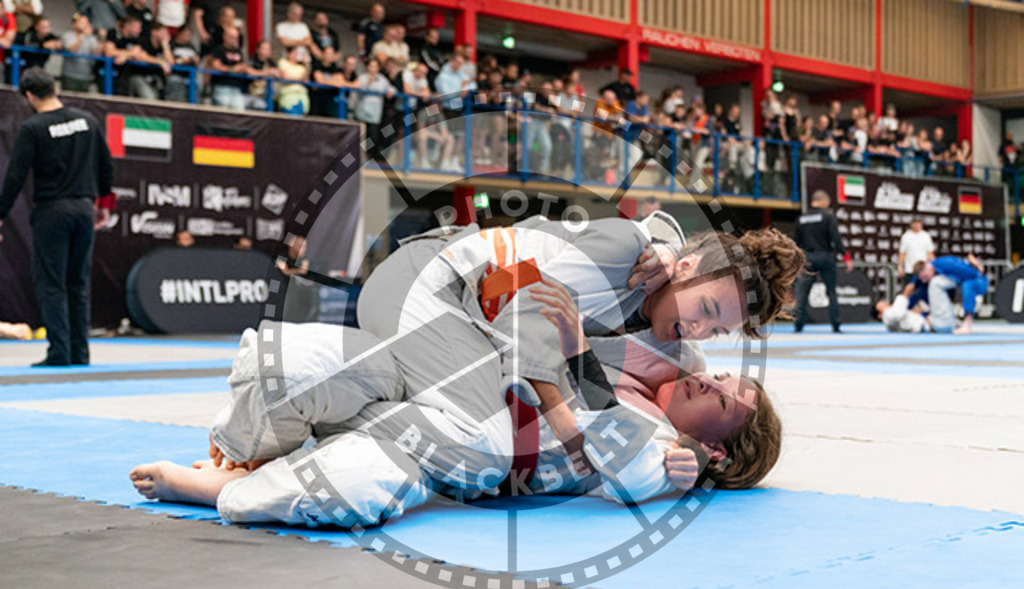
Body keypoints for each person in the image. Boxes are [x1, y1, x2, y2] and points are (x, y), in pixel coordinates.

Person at [130, 282, 784, 525]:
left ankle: (215, 489)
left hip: (452, 449)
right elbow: (671, 294)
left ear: (719, 443)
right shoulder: (667, 355)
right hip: (430, 372)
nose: (716, 383)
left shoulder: (655, 448)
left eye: (728, 402)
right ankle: (240, 455)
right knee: (290, 361)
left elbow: (635, 476)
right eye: (728, 376)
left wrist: (692, 461)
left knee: (347, 489)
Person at [0, 68, 113, 367]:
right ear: (54, 88)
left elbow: (14, 176)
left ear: (29, 96)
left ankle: (60, 353)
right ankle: (81, 352)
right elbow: (106, 166)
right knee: (78, 282)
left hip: (53, 211)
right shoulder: (87, 121)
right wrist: (103, 205)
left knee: (52, 283)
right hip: (83, 209)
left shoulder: (34, 127)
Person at [793, 190, 852, 333]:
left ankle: (798, 324)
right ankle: (836, 324)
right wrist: (846, 257)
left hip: (807, 257)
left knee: (802, 293)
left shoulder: (801, 218)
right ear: (824, 202)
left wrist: (796, 263)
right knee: (831, 291)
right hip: (825, 256)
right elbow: (836, 238)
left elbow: (796, 242)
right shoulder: (827, 216)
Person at [913, 254, 988, 335]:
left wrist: (978, 266)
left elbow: (970, 273)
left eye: (925, 277)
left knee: (967, 285)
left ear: (927, 269)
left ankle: (967, 325)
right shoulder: (932, 269)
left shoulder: (945, 264)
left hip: (978, 279)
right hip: (966, 279)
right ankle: (956, 321)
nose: (925, 281)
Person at [208, 26, 248, 111]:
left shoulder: (239, 52)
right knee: (224, 109)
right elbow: (216, 66)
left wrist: (242, 69)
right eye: (232, 37)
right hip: (221, 86)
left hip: (236, 88)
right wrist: (233, 69)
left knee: (240, 110)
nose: (234, 40)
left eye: (236, 38)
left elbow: (242, 66)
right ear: (225, 37)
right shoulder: (219, 50)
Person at [60, 12, 100, 92]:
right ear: (74, 23)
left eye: (86, 23)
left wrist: (98, 36)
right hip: (70, 76)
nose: (84, 25)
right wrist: (82, 36)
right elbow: (72, 49)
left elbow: (97, 53)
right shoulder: (68, 35)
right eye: (81, 22)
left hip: (86, 76)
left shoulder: (91, 38)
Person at [897, 218, 935, 286]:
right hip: (910, 270)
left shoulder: (926, 236)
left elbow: (930, 253)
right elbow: (902, 254)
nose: (918, 225)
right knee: (908, 290)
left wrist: (932, 267)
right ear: (911, 224)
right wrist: (900, 267)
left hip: (923, 270)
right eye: (916, 223)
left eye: (919, 223)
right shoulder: (906, 236)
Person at [276, 45, 310, 115]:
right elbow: (285, 77)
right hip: (288, 96)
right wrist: (299, 79)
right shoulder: (283, 62)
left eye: (297, 53)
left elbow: (306, 80)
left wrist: (307, 64)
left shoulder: (301, 67)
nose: (295, 55)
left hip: (301, 96)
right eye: (294, 53)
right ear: (289, 53)